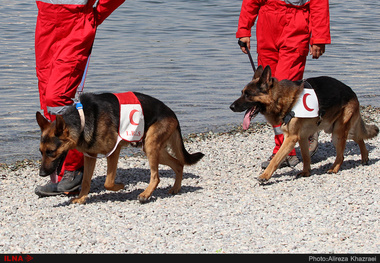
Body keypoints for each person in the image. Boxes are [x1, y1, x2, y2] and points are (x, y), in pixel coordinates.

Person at [34, 0, 125, 197]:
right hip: (45, 20)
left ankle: (74, 170)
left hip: (76, 23)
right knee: (46, 94)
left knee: (57, 96)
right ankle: (59, 170)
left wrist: (94, 16)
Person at [236, 0, 331, 168]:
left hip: (296, 23)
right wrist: (244, 29)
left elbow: (319, 3)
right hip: (267, 23)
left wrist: (319, 37)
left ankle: (286, 150)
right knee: (267, 92)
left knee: (282, 92)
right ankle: (290, 142)